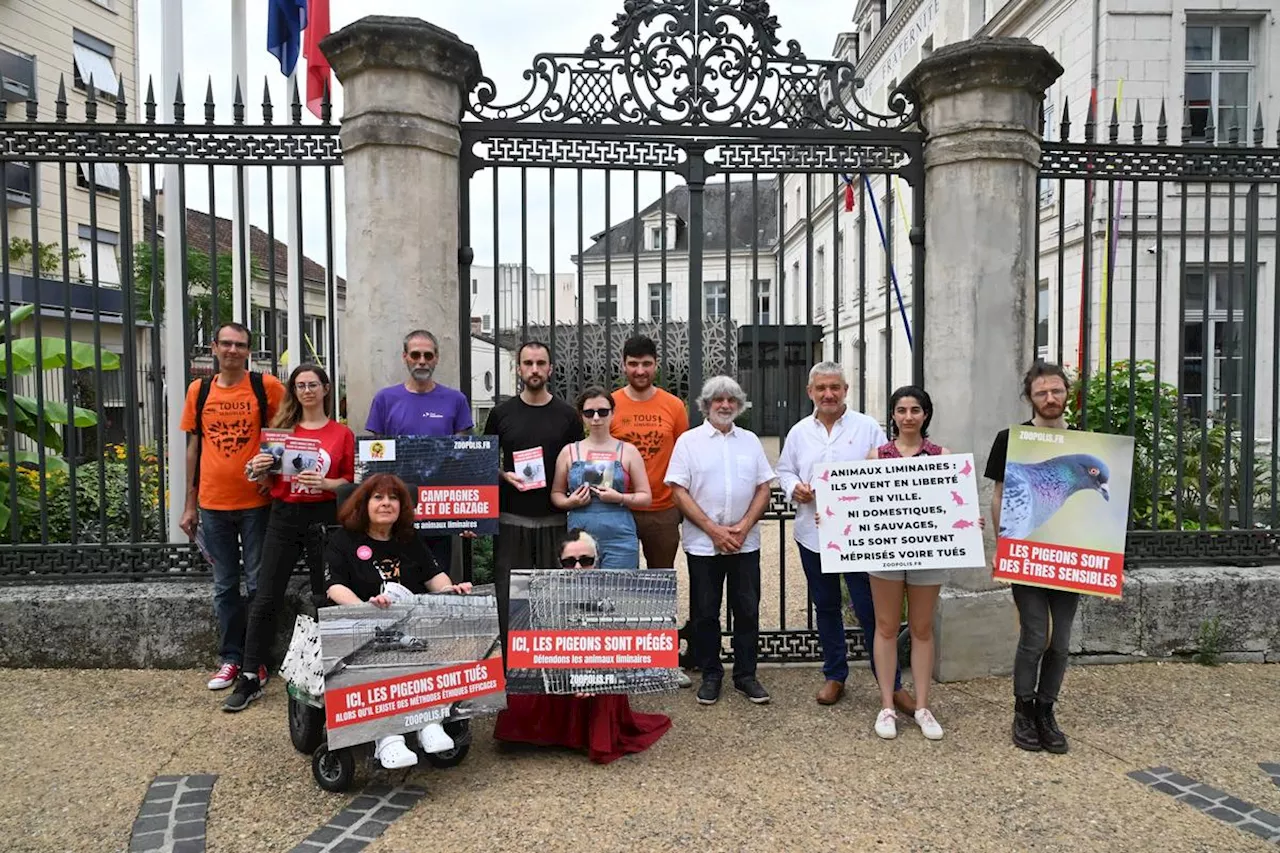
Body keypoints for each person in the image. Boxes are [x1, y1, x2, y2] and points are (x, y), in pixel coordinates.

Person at [776, 362, 913, 712]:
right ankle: (835, 674)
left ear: (846, 389)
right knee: (826, 607)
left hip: (859, 539)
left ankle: (891, 682)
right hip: (813, 534)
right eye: (821, 388)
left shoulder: (867, 428)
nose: (828, 394)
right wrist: (795, 488)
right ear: (810, 392)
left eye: (835, 387)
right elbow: (785, 469)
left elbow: (888, 470)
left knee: (871, 610)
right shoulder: (798, 432)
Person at [222, 363, 355, 712]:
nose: (307, 390)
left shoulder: (341, 434)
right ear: (293, 391)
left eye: (313, 384)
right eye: (300, 385)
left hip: (325, 518)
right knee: (265, 596)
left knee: (325, 597)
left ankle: (331, 672)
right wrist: (256, 470)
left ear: (326, 389)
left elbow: (351, 482)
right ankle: (250, 674)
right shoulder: (281, 430)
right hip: (283, 515)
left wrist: (326, 484)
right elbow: (263, 478)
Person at [323, 473, 473, 769]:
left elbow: (434, 576)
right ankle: (387, 738)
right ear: (364, 503)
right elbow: (333, 585)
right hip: (361, 627)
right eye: (378, 497)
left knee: (433, 647)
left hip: (407, 626)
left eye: (393, 498)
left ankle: (428, 721)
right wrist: (364, 608)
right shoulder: (343, 540)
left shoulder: (409, 539)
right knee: (381, 660)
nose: (386, 503)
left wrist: (450, 590)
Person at [491, 528, 672, 764]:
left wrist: (595, 676)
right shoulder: (539, 590)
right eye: (569, 562)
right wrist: (567, 672)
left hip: (601, 668)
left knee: (607, 688)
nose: (577, 568)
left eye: (586, 561)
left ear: (597, 561)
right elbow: (533, 647)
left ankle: (591, 733)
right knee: (521, 691)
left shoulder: (616, 590)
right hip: (554, 667)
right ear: (559, 563)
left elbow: (626, 649)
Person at [179, 322, 286, 693]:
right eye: (226, 344)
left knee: (258, 584)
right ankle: (230, 658)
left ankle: (256, 661)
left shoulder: (266, 386)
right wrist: (189, 504)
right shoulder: (200, 389)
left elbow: (285, 434)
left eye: (240, 345)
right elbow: (193, 448)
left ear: (249, 351)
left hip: (257, 503)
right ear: (214, 348)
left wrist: (273, 473)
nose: (232, 351)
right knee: (224, 586)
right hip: (212, 503)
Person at [866, 386, 974, 741]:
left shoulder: (942, 455)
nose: (908, 416)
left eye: (915, 410)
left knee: (922, 627)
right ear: (893, 416)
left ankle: (923, 705)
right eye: (901, 410)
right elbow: (860, 505)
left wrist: (968, 520)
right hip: (885, 551)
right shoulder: (876, 456)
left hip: (927, 551)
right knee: (884, 625)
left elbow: (952, 504)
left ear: (925, 414)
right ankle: (886, 706)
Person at [986, 361, 1078, 754]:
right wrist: (1003, 547)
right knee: (1035, 634)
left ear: (1066, 394)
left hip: (1071, 558)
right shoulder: (1011, 439)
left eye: (1056, 391)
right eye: (1042, 392)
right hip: (1026, 554)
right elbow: (999, 495)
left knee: (1061, 642)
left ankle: (1046, 710)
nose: (1050, 398)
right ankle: (1023, 710)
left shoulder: (1085, 442)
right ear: (1030, 397)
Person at [665, 376, 775, 706]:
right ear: (706, 405)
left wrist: (742, 527)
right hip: (703, 544)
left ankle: (746, 675)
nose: (725, 405)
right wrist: (713, 529)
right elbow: (677, 491)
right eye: (718, 400)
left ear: (738, 405)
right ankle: (711, 674)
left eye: (731, 400)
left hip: (745, 543)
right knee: (705, 612)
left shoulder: (751, 441)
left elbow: (764, 488)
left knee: (746, 610)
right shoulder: (688, 442)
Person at [484, 341, 582, 656]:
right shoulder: (501, 414)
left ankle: (552, 663)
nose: (535, 369)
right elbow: (484, 463)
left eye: (541, 363)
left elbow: (576, 463)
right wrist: (503, 475)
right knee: (512, 598)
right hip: (512, 519)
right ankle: (513, 665)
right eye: (528, 363)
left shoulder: (568, 415)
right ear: (519, 368)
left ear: (550, 368)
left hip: (555, 519)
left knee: (556, 598)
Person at [609, 335, 693, 686]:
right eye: (633, 363)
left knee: (659, 584)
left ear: (656, 365)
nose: (639, 370)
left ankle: (663, 658)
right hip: (618, 509)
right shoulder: (610, 404)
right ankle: (622, 658)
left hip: (661, 507)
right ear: (623, 364)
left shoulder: (673, 406)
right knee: (619, 584)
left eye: (646, 363)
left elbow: (686, 455)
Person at [365, 329, 475, 572]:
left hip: (440, 509)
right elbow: (376, 459)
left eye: (428, 355)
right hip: (396, 508)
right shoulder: (385, 399)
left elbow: (464, 458)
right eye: (415, 355)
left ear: (436, 358)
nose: (422, 361)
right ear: (405, 357)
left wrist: (467, 513)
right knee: (395, 579)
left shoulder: (455, 400)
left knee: (437, 577)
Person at [550, 387, 651, 569]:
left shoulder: (628, 451)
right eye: (589, 413)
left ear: (613, 414)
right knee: (582, 593)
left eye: (603, 412)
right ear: (582, 416)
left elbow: (645, 497)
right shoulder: (569, 452)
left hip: (619, 535)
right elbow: (556, 493)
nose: (596, 418)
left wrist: (619, 498)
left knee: (620, 593)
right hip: (579, 537)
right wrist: (570, 502)